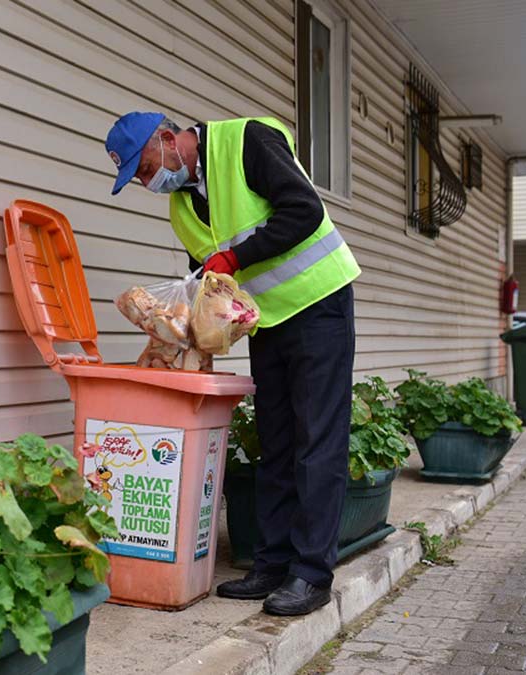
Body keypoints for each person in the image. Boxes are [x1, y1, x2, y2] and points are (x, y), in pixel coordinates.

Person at [105, 112, 361, 616]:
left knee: (318, 441)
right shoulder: (182, 207)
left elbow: (304, 211)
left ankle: (311, 574)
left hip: (319, 304)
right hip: (265, 322)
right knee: (276, 442)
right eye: (137, 177)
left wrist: (236, 259)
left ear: (167, 138)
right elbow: (207, 276)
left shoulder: (246, 142)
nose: (147, 181)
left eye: (145, 167)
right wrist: (183, 322)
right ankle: (271, 564)